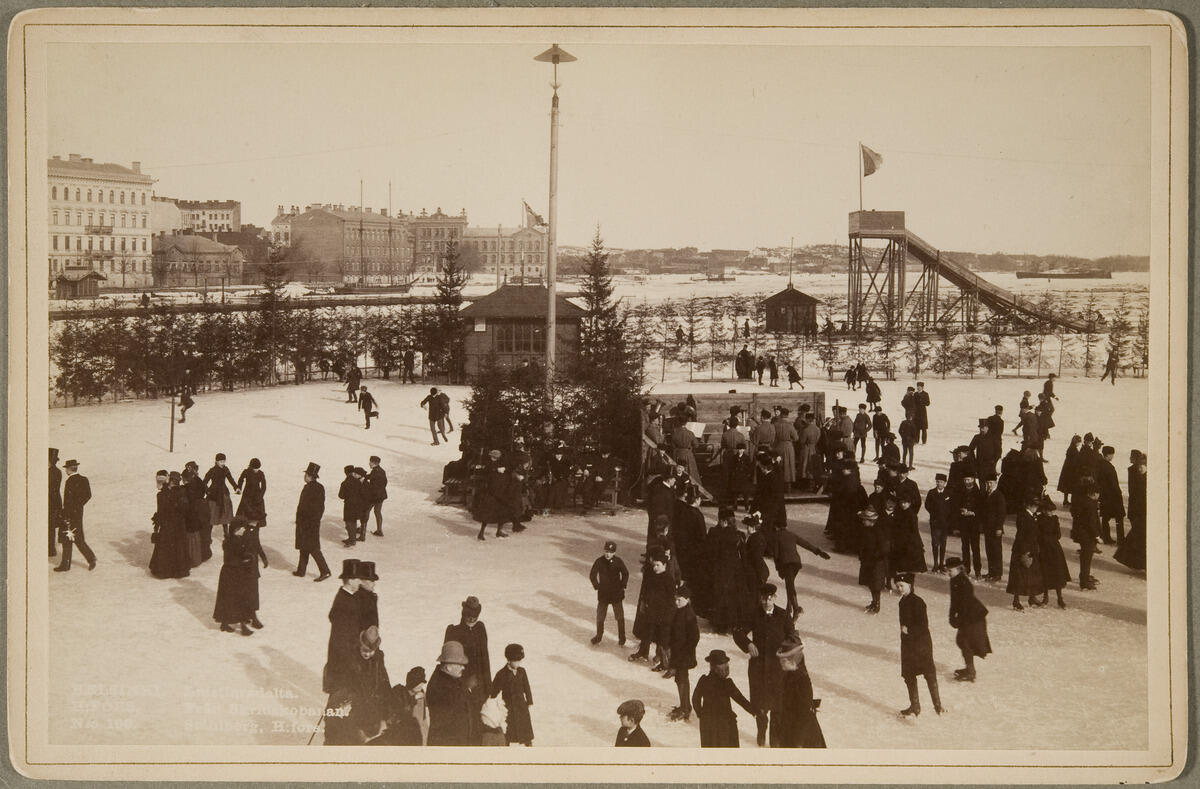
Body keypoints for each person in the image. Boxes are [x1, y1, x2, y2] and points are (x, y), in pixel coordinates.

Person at [733, 583, 797, 747]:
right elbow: (738, 631)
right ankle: (761, 733)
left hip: (778, 669)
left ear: (775, 598)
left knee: (778, 707)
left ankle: (775, 741)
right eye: (763, 598)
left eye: (770, 598)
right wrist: (748, 644)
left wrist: (785, 648)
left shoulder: (783, 615)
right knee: (760, 706)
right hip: (758, 668)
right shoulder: (754, 614)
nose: (766, 601)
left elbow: (793, 637)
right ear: (760, 598)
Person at [444, 596, 491, 744]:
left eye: (475, 618)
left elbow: (485, 658)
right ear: (463, 615)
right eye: (468, 617)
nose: (471, 620)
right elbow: (448, 662)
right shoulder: (453, 631)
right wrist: (462, 683)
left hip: (480, 685)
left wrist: (489, 687)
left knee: (480, 722)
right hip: (462, 684)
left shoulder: (481, 629)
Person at [896, 572, 943, 717]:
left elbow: (923, 625)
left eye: (902, 585)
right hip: (908, 645)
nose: (899, 588)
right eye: (897, 586)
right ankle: (915, 706)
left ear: (910, 585)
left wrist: (908, 630)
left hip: (921, 644)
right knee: (909, 675)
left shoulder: (918, 602)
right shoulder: (902, 602)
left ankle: (938, 706)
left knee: (929, 673)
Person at [692, 649, 755, 747]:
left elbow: (695, 699)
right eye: (723, 664)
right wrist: (755, 711)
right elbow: (741, 700)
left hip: (708, 725)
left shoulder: (703, 680)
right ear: (715, 667)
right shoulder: (727, 683)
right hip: (725, 724)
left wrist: (702, 715)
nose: (726, 667)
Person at [212, 517, 262, 635]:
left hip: (233, 573)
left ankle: (227, 623)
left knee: (229, 600)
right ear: (235, 529)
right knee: (234, 599)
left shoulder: (235, 539)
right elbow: (230, 559)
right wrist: (245, 560)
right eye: (241, 528)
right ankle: (241, 625)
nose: (243, 530)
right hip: (232, 573)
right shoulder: (231, 541)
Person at [774, 636, 826, 747]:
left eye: (784, 660)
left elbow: (804, 714)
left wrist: (798, 741)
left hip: (801, 734)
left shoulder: (801, 680)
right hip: (791, 727)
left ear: (793, 659)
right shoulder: (790, 674)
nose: (781, 663)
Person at [946, 557, 991, 682]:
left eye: (951, 570)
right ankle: (969, 669)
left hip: (974, 617)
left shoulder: (964, 582)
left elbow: (965, 603)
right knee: (962, 641)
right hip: (967, 616)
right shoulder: (954, 580)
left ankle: (970, 672)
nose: (948, 573)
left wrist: (959, 619)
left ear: (959, 569)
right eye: (947, 570)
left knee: (964, 641)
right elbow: (954, 601)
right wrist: (951, 616)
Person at [773, 524, 831, 619]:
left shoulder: (776, 536)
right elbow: (805, 544)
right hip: (796, 563)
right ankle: (789, 607)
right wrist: (819, 552)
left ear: (776, 527)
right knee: (790, 584)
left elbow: (776, 554)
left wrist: (778, 568)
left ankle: (796, 608)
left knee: (790, 585)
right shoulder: (792, 534)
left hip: (786, 564)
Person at [324, 559, 364, 692]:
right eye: (358, 578)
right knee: (340, 697)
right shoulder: (343, 601)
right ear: (350, 580)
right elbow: (341, 637)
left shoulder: (350, 597)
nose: (360, 582)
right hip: (343, 660)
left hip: (348, 658)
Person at [426, 641, 473, 746]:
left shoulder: (452, 679)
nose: (463, 668)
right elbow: (448, 715)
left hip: (459, 743)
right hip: (446, 745)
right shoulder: (437, 686)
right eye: (460, 664)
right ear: (448, 666)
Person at [666, 583, 700, 721]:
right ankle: (684, 705)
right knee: (679, 679)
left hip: (684, 655)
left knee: (682, 680)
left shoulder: (689, 615)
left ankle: (685, 708)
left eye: (679, 599)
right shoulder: (679, 611)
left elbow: (694, 637)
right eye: (675, 599)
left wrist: (686, 651)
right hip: (678, 652)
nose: (676, 602)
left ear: (687, 599)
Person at [55, 459, 96, 572]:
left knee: (68, 539)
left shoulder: (69, 481)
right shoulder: (84, 479)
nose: (65, 471)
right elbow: (88, 495)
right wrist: (79, 506)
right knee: (77, 538)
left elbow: (68, 501)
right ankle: (90, 558)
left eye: (66, 469)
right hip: (78, 513)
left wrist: (67, 514)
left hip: (68, 514)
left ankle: (66, 564)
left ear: (68, 469)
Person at [149, 470, 190, 579]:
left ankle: (165, 570)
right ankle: (178, 570)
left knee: (167, 546)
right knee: (177, 546)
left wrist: (157, 526)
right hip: (177, 524)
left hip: (169, 524)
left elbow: (161, 511)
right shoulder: (179, 492)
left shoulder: (164, 494)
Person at [293, 462, 331, 581]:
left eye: (306, 475)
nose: (304, 477)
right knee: (304, 546)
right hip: (311, 522)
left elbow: (307, 507)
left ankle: (325, 571)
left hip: (308, 523)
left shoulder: (310, 488)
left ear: (309, 476)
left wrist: (304, 520)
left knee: (312, 547)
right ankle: (301, 570)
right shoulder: (319, 487)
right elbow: (321, 507)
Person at [1008, 497, 1047, 609]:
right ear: (1029, 505)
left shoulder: (1030, 516)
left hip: (1031, 549)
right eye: (1035, 505)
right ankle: (1016, 601)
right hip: (1023, 550)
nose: (1036, 507)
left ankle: (1032, 598)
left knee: (1033, 575)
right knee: (1019, 576)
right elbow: (1022, 536)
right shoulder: (1024, 516)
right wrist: (1025, 552)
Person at [491, 644, 533, 746]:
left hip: (522, 707)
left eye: (520, 660)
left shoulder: (522, 672)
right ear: (509, 660)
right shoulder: (501, 674)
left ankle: (528, 744)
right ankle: (506, 745)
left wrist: (529, 701)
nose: (518, 663)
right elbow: (494, 691)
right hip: (509, 708)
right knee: (509, 730)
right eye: (516, 660)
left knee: (525, 729)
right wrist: (492, 702)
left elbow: (527, 687)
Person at [590, 540, 629, 645]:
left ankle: (622, 638)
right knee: (600, 615)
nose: (608, 554)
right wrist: (597, 586)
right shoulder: (599, 561)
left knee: (619, 616)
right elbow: (592, 574)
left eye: (611, 552)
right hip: (603, 594)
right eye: (606, 551)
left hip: (616, 594)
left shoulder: (618, 561)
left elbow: (625, 573)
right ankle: (599, 636)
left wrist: (622, 585)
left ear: (614, 553)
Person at [1035, 497, 1070, 608]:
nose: (1051, 513)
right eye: (1048, 510)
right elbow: (1037, 534)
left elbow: (1058, 534)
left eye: (1051, 511)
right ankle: (1045, 597)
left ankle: (1060, 598)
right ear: (1044, 510)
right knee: (1045, 573)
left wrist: (1048, 538)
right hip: (1043, 550)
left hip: (1054, 549)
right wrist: (1046, 538)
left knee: (1057, 573)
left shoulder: (1054, 519)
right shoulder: (1039, 519)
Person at [1114, 451, 1147, 571]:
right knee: (1139, 539)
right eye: (1139, 466)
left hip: (1142, 512)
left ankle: (1139, 563)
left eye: (1142, 467)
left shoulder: (1143, 476)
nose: (1140, 469)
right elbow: (1136, 495)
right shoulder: (1138, 476)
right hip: (1140, 512)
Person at [857, 505, 889, 613]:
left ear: (871, 521)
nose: (863, 522)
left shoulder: (879, 531)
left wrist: (874, 556)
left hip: (877, 563)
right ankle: (874, 602)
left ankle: (877, 604)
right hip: (868, 561)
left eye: (864, 520)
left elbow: (884, 548)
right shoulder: (866, 529)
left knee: (876, 585)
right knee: (871, 584)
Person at [1070, 486, 1101, 591]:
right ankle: (1084, 581)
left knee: (1085, 557)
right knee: (1086, 558)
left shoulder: (1081, 500)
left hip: (1080, 534)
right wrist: (1097, 536)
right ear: (1094, 493)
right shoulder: (1091, 504)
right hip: (1088, 536)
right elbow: (1092, 522)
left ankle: (1084, 576)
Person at [204, 453, 241, 540]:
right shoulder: (212, 470)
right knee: (212, 515)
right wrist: (208, 491)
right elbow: (204, 482)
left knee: (225, 514)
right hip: (214, 495)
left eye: (224, 461)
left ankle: (226, 534)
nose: (223, 463)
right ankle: (208, 536)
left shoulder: (225, 469)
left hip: (224, 493)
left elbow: (230, 479)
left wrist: (236, 487)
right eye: (221, 461)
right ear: (216, 461)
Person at [955, 475, 985, 579]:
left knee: (975, 548)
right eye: (965, 480)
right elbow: (956, 506)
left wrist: (974, 512)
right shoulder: (960, 492)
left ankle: (978, 570)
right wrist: (961, 510)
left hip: (974, 525)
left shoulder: (979, 493)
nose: (967, 482)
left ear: (973, 480)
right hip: (964, 524)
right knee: (965, 548)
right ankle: (966, 569)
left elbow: (982, 508)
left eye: (968, 479)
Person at [1097, 446, 1126, 546]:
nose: (1113, 456)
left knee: (1105, 517)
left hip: (1104, 496)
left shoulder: (1099, 465)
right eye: (1112, 454)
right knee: (1119, 517)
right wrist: (1119, 493)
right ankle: (1121, 539)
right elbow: (1114, 484)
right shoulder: (1109, 467)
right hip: (1113, 497)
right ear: (1108, 455)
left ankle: (1106, 537)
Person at [924, 474, 953, 573]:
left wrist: (947, 516)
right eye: (937, 481)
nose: (939, 483)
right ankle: (935, 564)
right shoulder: (931, 493)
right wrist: (935, 512)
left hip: (945, 523)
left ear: (945, 483)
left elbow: (952, 506)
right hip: (935, 522)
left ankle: (941, 563)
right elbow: (927, 505)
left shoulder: (949, 493)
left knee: (943, 543)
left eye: (941, 482)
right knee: (935, 543)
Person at [982, 478, 1007, 581]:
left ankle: (997, 574)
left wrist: (999, 527)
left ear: (995, 483)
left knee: (996, 551)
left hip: (996, 529)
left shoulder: (999, 495)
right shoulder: (986, 494)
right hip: (988, 528)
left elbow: (1002, 513)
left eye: (991, 483)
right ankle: (991, 572)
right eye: (987, 482)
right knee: (989, 550)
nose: (989, 485)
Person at [338, 465, 365, 547]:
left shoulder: (345, 483)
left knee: (349, 523)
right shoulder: (358, 482)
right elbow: (362, 493)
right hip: (358, 505)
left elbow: (341, 495)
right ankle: (352, 539)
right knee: (353, 522)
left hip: (349, 505)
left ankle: (351, 540)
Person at [235, 458, 267, 527]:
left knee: (256, 515)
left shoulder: (261, 473)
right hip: (247, 494)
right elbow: (241, 480)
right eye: (255, 468)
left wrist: (260, 496)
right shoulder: (246, 471)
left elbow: (264, 486)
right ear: (251, 467)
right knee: (244, 512)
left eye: (258, 468)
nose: (256, 470)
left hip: (257, 495)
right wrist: (239, 488)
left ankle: (254, 526)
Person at [1056, 435, 1083, 506]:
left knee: (1066, 486)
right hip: (1071, 470)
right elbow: (1075, 460)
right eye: (1079, 442)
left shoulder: (1071, 448)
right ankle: (1068, 500)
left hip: (1067, 469)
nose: (1079, 443)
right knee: (1070, 485)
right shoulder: (1073, 449)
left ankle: (1065, 500)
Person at [366, 456, 387, 536]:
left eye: (370, 462)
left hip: (374, 496)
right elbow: (384, 482)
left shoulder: (375, 472)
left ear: (374, 463)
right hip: (381, 495)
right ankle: (379, 530)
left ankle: (362, 528)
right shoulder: (381, 471)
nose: (369, 463)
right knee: (377, 512)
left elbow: (373, 484)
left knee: (366, 510)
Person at [48, 448, 63, 558]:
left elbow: (53, 489)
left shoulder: (55, 472)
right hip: (52, 501)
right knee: (50, 526)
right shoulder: (54, 471)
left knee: (50, 526)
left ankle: (51, 549)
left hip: (52, 503)